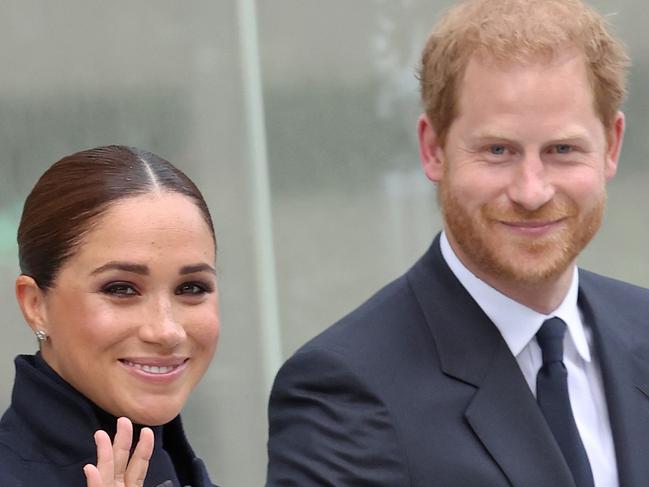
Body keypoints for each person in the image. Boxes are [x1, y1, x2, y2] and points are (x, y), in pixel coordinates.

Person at [266, 0, 649, 486]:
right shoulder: (344, 392)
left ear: (611, 147)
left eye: (562, 150)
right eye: (497, 150)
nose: (532, 191)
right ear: (433, 150)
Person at [0, 145, 220, 487]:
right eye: (121, 289)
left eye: (191, 288)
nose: (166, 330)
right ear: (35, 305)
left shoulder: (174, 463)